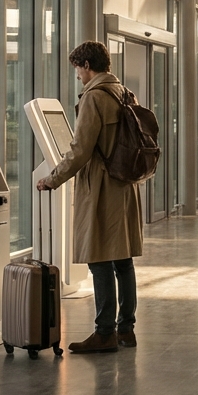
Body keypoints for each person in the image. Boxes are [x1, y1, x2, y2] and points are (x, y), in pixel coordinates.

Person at [36, 41, 144, 354]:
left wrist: (52, 179)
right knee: (123, 261)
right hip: (125, 184)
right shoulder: (124, 92)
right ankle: (126, 330)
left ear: (86, 64)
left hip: (101, 187)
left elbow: (80, 149)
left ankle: (104, 332)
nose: (78, 76)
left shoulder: (95, 96)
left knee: (98, 259)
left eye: (77, 70)